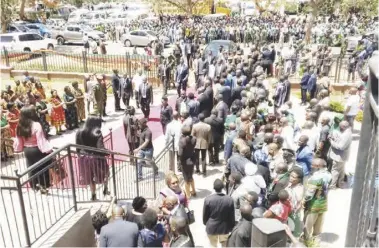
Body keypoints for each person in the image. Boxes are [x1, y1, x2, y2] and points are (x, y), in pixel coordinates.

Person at [14, 106, 53, 193]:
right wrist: (48, 149)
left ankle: (35, 186)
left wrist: (18, 148)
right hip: (37, 149)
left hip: (27, 150)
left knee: (31, 168)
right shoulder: (36, 125)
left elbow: (19, 140)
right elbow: (41, 140)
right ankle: (44, 185)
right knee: (43, 167)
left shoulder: (19, 125)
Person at [76, 116, 110, 201]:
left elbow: (77, 148)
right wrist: (108, 152)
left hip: (84, 158)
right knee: (107, 173)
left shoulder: (79, 131)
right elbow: (100, 148)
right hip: (96, 158)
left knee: (90, 178)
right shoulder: (97, 132)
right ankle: (105, 189)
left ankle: (93, 195)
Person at [303, 158, 332, 241]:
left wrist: (304, 201)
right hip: (323, 203)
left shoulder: (315, 177)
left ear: (318, 166)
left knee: (307, 227)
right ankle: (316, 243)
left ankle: (306, 243)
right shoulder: (328, 174)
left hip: (313, 205)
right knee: (318, 228)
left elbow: (309, 194)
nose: (311, 166)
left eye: (313, 165)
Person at [203, 179, 235, 248]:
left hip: (211, 227)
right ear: (223, 187)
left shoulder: (208, 199)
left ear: (214, 188)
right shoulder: (229, 199)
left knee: (213, 245)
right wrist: (232, 226)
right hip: (224, 227)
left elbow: (205, 215)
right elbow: (231, 215)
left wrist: (206, 223)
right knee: (224, 245)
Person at [328, 120, 352, 189]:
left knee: (335, 171)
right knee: (341, 170)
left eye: (340, 127)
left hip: (338, 157)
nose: (339, 128)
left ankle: (332, 185)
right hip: (342, 157)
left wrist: (331, 141)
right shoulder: (347, 132)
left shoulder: (346, 135)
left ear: (343, 127)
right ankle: (340, 184)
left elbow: (341, 147)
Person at [178, 125, 197, 197]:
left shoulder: (182, 141)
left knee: (186, 178)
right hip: (192, 159)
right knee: (191, 176)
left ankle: (188, 195)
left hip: (184, 161)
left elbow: (180, 153)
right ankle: (194, 191)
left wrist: (180, 161)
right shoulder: (194, 138)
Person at [285, 167, 304, 237]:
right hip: (288, 211)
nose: (291, 178)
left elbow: (298, 203)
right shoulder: (290, 184)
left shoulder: (299, 190)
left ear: (299, 179)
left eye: (293, 177)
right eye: (291, 175)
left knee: (295, 230)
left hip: (294, 213)